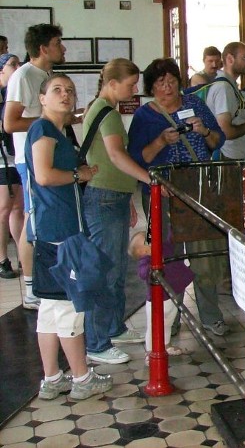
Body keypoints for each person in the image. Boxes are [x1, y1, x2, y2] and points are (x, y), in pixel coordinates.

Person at [27, 74, 112, 401]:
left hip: (57, 228)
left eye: (70, 90)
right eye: (57, 90)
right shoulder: (43, 129)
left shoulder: (60, 131)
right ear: (43, 98)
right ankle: (81, 378)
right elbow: (44, 175)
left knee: (49, 308)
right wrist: (81, 174)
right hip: (61, 230)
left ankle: (52, 378)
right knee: (71, 306)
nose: (65, 95)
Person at [128, 58, 228, 336]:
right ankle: (170, 317)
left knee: (204, 253)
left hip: (199, 188)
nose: (167, 86)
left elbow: (217, 141)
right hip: (161, 192)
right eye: (160, 82)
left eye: (171, 80)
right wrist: (161, 141)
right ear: (151, 87)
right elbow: (139, 158)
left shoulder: (195, 105)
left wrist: (204, 130)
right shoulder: (144, 116)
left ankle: (210, 315)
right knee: (167, 255)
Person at [81, 59, 153, 365]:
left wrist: (126, 195)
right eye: (130, 84)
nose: (135, 90)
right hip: (104, 197)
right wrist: (148, 179)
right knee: (106, 270)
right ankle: (96, 342)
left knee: (116, 269)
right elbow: (116, 156)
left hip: (115, 197)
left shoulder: (103, 109)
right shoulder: (106, 112)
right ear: (112, 83)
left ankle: (113, 327)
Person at [4, 23, 66, 309]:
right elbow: (10, 122)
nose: (63, 47)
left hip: (48, 154)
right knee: (33, 219)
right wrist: (50, 122)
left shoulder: (46, 75)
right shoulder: (24, 75)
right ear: (43, 48)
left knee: (43, 219)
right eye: (58, 42)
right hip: (30, 158)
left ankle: (44, 279)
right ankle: (30, 287)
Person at [128, 228, 194, 361]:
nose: (152, 240)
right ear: (143, 251)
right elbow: (142, 272)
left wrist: (172, 228)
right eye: (147, 241)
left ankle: (166, 345)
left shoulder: (162, 249)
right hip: (156, 301)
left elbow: (170, 243)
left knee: (168, 323)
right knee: (154, 326)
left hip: (171, 296)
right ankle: (150, 352)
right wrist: (153, 266)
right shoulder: (146, 260)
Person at [205, 41, 245, 160]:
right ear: (230, 59)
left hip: (236, 155)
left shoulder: (230, 86)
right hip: (228, 158)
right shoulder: (223, 88)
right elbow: (225, 131)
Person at [0, 54, 24, 279]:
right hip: (1, 161)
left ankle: (22, 255)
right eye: (12, 65)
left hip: (16, 157)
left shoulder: (13, 93)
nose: (17, 68)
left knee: (18, 208)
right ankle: (2, 259)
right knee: (3, 209)